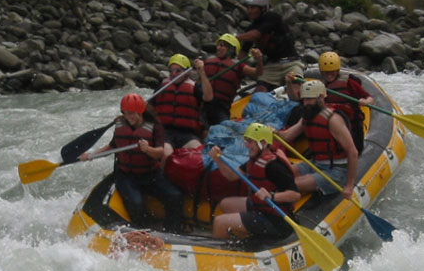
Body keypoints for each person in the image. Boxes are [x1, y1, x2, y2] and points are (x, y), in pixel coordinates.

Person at [80, 93, 184, 232]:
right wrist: (91, 155)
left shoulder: (155, 126)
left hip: (150, 174)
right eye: (126, 113)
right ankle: (143, 231)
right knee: (136, 203)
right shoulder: (120, 124)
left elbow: (160, 152)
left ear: (140, 111)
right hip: (126, 176)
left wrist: (147, 149)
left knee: (175, 196)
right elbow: (112, 147)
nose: (129, 117)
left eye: (132, 114)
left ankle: (172, 230)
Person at [207, 123, 301, 239]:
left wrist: (271, 196)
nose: (246, 145)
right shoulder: (256, 160)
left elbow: (295, 195)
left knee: (220, 222)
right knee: (226, 204)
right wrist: (218, 159)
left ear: (262, 143)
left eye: (250, 142)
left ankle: (223, 254)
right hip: (261, 208)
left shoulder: (274, 166)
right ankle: (249, 239)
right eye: (246, 141)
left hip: (276, 220)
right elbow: (231, 176)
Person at [278, 80, 358, 200]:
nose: (305, 103)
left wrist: (349, 186)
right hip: (315, 164)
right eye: (304, 100)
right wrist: (273, 133)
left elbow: (353, 152)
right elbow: (287, 136)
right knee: (279, 176)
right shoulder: (308, 116)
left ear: (321, 98)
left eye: (309, 99)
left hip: (336, 171)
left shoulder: (333, 120)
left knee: (290, 184)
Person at [235, 0, 304, 92]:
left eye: (253, 7)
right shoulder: (250, 29)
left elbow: (257, 34)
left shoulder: (272, 17)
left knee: (295, 89)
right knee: (259, 91)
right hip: (271, 66)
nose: (249, 11)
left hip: (291, 63)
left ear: (263, 8)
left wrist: (235, 38)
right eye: (248, 7)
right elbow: (243, 53)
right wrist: (240, 67)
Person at [194, 33, 264, 127]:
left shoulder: (238, 66)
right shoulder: (208, 62)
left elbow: (257, 73)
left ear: (231, 49)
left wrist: (259, 59)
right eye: (218, 45)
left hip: (221, 108)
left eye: (222, 46)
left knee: (222, 129)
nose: (218, 48)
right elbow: (198, 83)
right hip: (204, 105)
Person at [153, 53, 212, 162]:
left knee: (199, 154)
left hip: (187, 134)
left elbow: (208, 97)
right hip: (165, 133)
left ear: (187, 73)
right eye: (171, 71)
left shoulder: (194, 88)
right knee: (166, 155)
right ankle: (162, 177)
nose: (174, 74)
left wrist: (202, 72)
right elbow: (148, 109)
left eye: (178, 71)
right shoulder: (162, 87)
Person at [317, 51, 374, 153]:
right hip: (329, 123)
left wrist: (365, 101)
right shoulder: (320, 85)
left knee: (357, 149)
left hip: (351, 124)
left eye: (332, 72)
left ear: (337, 70)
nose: (329, 75)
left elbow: (370, 98)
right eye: (326, 72)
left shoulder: (349, 83)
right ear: (321, 72)